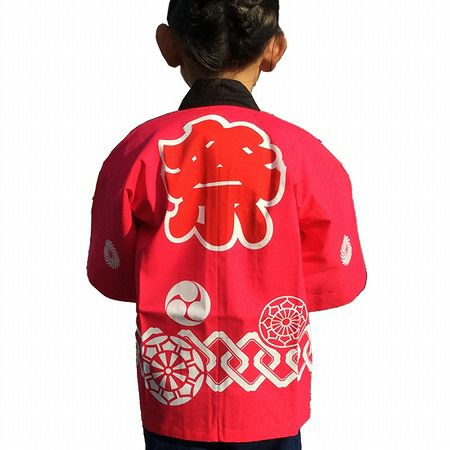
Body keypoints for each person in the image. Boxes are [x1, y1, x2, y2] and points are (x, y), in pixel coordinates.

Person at [86, 1, 368, 449]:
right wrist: (268, 277)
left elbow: (112, 274)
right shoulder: (307, 155)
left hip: (176, 383)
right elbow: (338, 277)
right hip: (269, 386)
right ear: (275, 49)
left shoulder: (137, 151)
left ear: (168, 45)